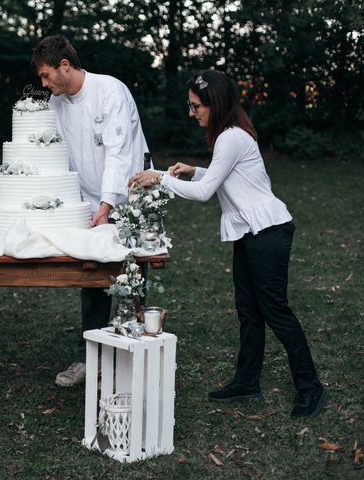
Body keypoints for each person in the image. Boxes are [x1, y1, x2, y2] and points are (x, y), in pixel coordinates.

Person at [129, 70, 327, 417]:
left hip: (268, 233)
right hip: (250, 234)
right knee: (249, 312)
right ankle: (247, 383)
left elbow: (205, 194)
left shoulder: (231, 137)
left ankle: (311, 388)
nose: (192, 113)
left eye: (196, 107)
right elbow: (223, 180)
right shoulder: (228, 136)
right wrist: (194, 170)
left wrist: (160, 177)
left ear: (214, 104)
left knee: (275, 311)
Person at [31, 35, 150, 387]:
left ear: (64, 66)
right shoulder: (56, 104)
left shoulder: (110, 91)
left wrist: (107, 205)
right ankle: (90, 357)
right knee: (92, 277)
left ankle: (135, 354)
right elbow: (60, 157)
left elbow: (118, 151)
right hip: (86, 201)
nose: (43, 83)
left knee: (132, 278)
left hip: (127, 197)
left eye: (46, 75)